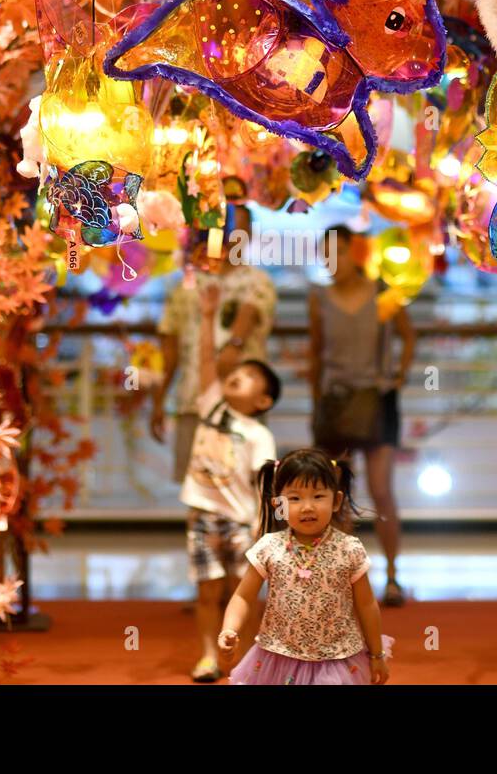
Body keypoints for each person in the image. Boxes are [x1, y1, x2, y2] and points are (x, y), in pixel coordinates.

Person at [308, 225, 416, 607]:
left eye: (336, 253)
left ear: (355, 253)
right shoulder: (319, 298)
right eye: (325, 255)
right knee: (337, 494)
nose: (330, 262)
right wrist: (316, 401)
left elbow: (408, 335)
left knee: (381, 489)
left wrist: (398, 375)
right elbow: (316, 352)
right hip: (336, 401)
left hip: (377, 400)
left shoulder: (382, 291)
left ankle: (392, 576)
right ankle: (342, 578)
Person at [179, 280, 281, 682]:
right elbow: (207, 360)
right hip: (202, 515)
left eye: (252, 375)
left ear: (264, 401)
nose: (239, 375)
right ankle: (207, 655)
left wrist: (263, 525)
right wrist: (207, 317)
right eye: (238, 371)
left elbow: (266, 487)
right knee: (207, 592)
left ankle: (245, 656)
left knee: (243, 593)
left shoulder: (260, 435)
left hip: (242, 522)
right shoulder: (211, 405)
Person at [218, 448, 391, 685]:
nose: (307, 507)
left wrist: (376, 654)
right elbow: (244, 597)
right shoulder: (269, 547)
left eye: (318, 496)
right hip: (278, 656)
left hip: (336, 659)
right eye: (295, 498)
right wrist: (229, 629)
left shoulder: (349, 549)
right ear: (278, 504)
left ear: (336, 501)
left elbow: (366, 604)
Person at [151, 204, 276, 485]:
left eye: (238, 227)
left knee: (247, 486)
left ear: (250, 233)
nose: (232, 234)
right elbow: (169, 348)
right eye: (226, 226)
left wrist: (234, 343)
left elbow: (248, 317)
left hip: (244, 408)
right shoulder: (186, 284)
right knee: (196, 489)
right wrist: (159, 400)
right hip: (192, 400)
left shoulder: (258, 282)